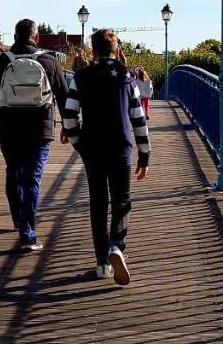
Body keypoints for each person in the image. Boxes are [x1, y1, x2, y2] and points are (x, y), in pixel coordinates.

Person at [62, 29, 150, 285]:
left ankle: (102, 264)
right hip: (121, 148)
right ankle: (117, 247)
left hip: (93, 148)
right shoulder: (127, 78)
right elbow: (138, 120)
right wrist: (144, 155)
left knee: (98, 204)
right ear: (115, 49)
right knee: (121, 201)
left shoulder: (82, 76)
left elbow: (69, 117)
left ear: (93, 50)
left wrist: (80, 145)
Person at [0, 19, 70, 252]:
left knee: (14, 173)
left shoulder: (2, 61)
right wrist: (68, 127)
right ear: (37, 37)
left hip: (8, 128)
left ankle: (18, 219)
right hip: (40, 128)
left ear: (14, 36)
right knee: (32, 178)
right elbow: (63, 96)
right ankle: (28, 233)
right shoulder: (49, 61)